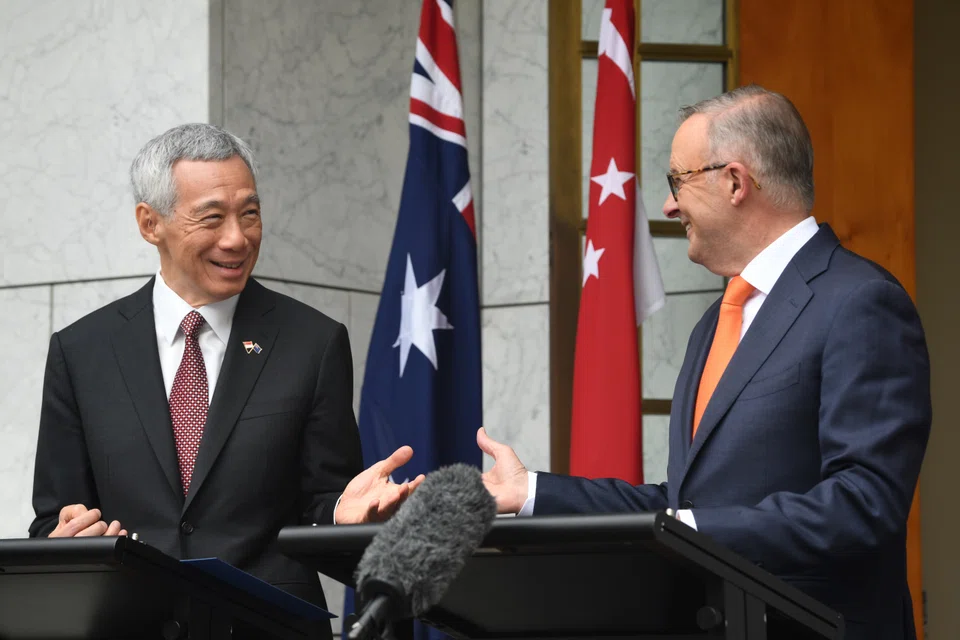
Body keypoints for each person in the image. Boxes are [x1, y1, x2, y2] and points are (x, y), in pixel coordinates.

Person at [478, 85, 931, 640]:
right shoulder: (714, 324)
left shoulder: (860, 302)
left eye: (678, 180)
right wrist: (530, 494)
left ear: (735, 181)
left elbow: (864, 507)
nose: (669, 204)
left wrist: (685, 529)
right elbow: (684, 503)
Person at [29, 123, 422, 639]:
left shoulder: (312, 342)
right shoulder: (82, 351)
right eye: (212, 218)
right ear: (151, 224)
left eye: (250, 214)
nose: (237, 238)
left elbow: (324, 502)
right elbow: (50, 522)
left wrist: (350, 519)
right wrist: (64, 537)